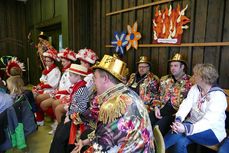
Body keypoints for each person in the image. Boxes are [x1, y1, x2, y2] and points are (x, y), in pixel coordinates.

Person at [71, 54, 154, 153]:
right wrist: (85, 142)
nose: (94, 83)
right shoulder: (128, 93)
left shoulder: (113, 105)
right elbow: (109, 134)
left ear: (105, 79)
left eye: (95, 78)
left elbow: (101, 147)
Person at [164, 63, 227, 153]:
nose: (193, 76)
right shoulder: (195, 88)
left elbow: (209, 121)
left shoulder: (218, 96)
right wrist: (178, 119)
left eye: (195, 74)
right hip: (192, 125)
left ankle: (157, 149)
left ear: (202, 78)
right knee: (180, 142)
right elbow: (186, 105)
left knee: (178, 132)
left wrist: (185, 128)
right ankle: (158, 148)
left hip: (212, 132)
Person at [49, 64, 90, 153]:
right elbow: (75, 103)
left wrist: (69, 114)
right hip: (73, 115)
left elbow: (82, 108)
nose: (69, 78)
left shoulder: (82, 89)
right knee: (60, 130)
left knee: (61, 136)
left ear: (78, 76)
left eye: (71, 75)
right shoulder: (78, 87)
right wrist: (69, 109)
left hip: (78, 118)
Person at [149, 53, 192, 136]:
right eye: (171, 66)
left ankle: (157, 148)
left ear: (182, 67)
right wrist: (156, 107)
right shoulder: (165, 79)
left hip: (176, 113)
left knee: (158, 128)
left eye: (175, 66)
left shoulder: (190, 82)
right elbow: (158, 95)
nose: (172, 68)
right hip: (162, 108)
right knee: (147, 120)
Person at [38, 48, 76, 133]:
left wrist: (59, 92)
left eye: (63, 62)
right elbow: (61, 84)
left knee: (54, 105)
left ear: (69, 62)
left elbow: (70, 88)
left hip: (66, 95)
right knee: (43, 104)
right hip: (59, 92)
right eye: (62, 61)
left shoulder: (71, 72)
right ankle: (56, 120)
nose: (61, 64)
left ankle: (59, 127)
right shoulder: (65, 70)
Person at [33, 48, 61, 125]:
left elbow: (53, 84)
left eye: (48, 61)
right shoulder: (47, 69)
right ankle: (39, 117)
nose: (46, 63)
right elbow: (43, 80)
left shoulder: (56, 71)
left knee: (38, 98)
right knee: (33, 95)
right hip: (45, 89)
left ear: (53, 61)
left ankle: (47, 117)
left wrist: (41, 86)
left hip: (52, 90)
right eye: (45, 61)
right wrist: (40, 85)